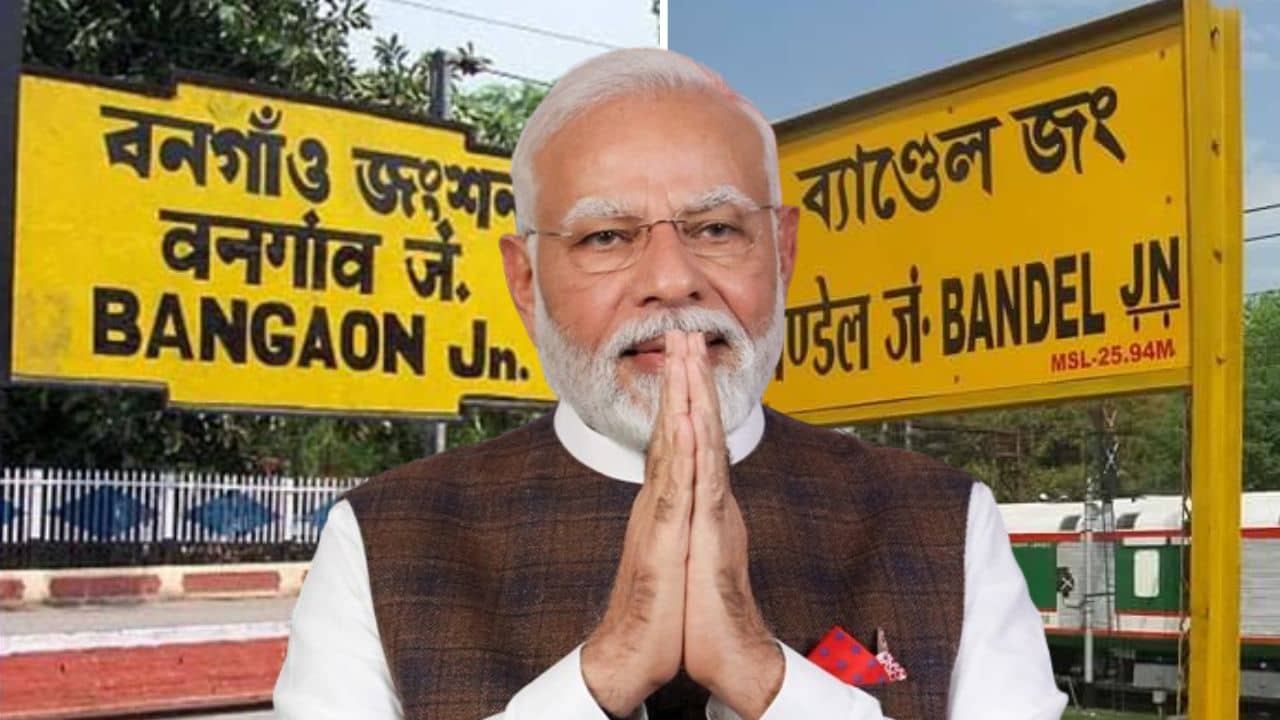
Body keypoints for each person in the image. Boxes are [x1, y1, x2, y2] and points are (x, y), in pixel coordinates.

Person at [272, 47, 1069, 720]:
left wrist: (765, 676)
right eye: (606, 237)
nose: (671, 279)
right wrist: (610, 666)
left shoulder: (939, 520)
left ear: (783, 252)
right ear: (526, 281)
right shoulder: (387, 537)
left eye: (716, 228)